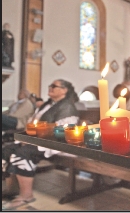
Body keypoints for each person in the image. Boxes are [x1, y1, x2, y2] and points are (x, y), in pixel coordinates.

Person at [2, 79, 80, 210]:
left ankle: (26, 195)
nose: (50, 87)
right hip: (37, 139)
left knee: (22, 153)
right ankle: (12, 190)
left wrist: (34, 137)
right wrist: (28, 136)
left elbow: (63, 131)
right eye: (50, 85)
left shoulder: (67, 106)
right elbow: (33, 122)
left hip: (56, 143)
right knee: (7, 150)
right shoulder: (48, 104)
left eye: (54, 86)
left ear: (64, 90)